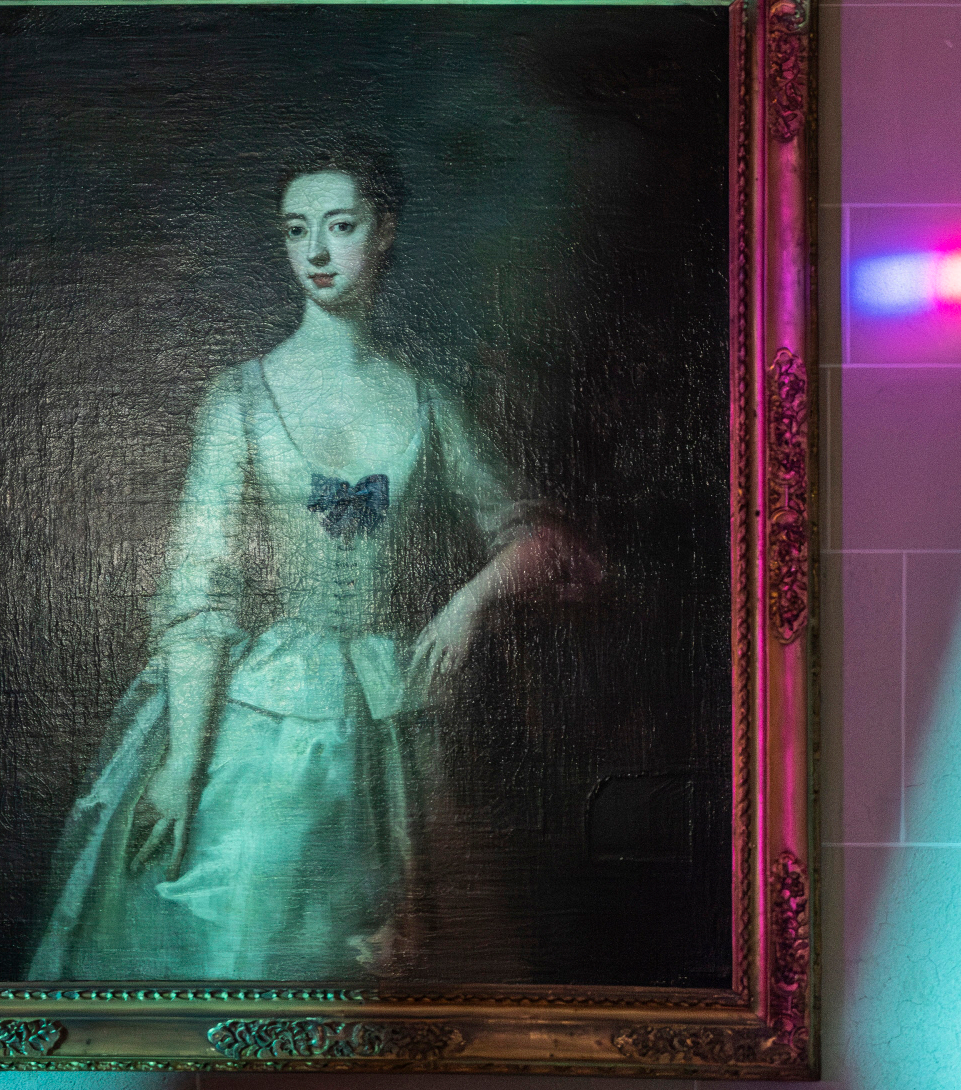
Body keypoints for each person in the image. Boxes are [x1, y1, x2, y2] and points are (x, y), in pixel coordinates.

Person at [30, 137, 593, 985]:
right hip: (259, 721)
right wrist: (182, 767)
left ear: (387, 229)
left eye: (341, 226)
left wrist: (467, 602)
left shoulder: (427, 401)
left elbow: (537, 538)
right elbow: (200, 590)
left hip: (390, 713)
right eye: (298, 231)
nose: (318, 254)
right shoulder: (240, 399)